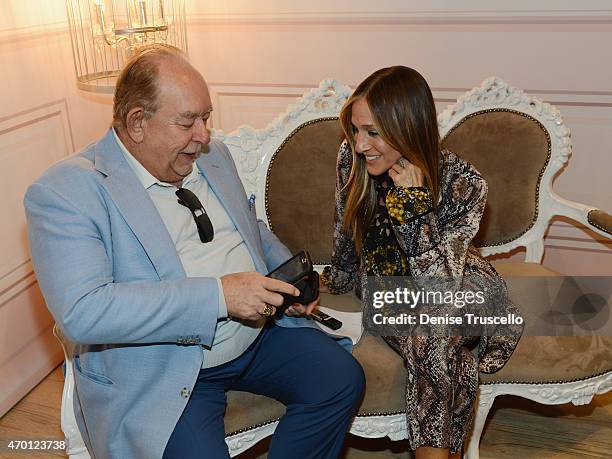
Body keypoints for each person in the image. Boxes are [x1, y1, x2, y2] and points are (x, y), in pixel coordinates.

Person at [24, 44, 365, 459]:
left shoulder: (211, 155)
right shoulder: (68, 191)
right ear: (137, 123)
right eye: (188, 122)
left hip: (256, 337)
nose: (204, 136)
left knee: (340, 379)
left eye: (206, 118)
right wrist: (221, 295)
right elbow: (84, 311)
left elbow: (249, 228)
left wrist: (284, 278)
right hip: (164, 364)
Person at [320, 66, 522, 459]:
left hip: (460, 283)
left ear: (408, 128)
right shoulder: (352, 157)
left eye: (373, 132)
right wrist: (341, 276)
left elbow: (441, 286)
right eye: (356, 130)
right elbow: (344, 224)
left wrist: (413, 210)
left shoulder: (464, 182)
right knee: (445, 346)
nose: (360, 144)